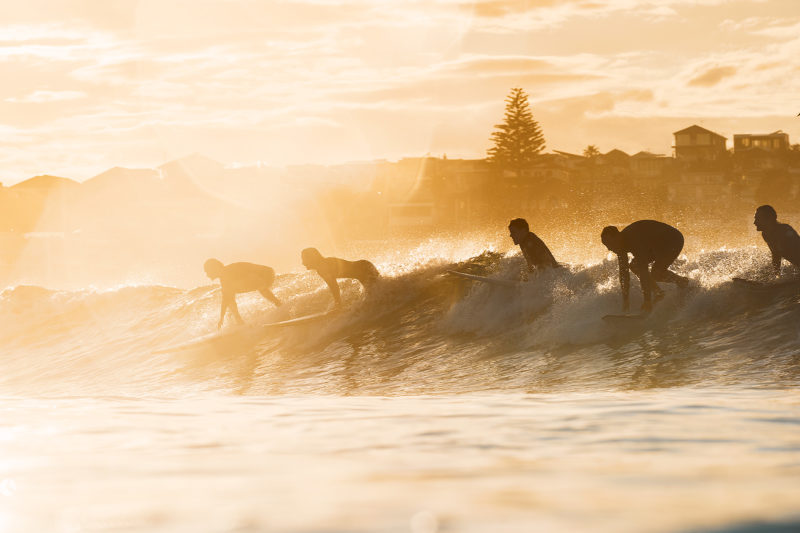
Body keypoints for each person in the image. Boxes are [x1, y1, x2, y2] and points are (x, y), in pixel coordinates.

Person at [601, 220, 689, 312]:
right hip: (655, 245)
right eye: (606, 245)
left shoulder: (634, 240)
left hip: (673, 240)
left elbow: (643, 270)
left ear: (617, 237)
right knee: (634, 266)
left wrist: (647, 300)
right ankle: (658, 293)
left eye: (609, 243)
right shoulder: (620, 246)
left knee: (656, 274)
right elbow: (624, 274)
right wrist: (626, 301)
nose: (609, 248)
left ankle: (682, 282)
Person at [203, 258, 282, 328]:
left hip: (266, 274)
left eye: (207, 271)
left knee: (229, 291)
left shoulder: (230, 271)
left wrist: (261, 286)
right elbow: (226, 300)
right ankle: (239, 322)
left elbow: (252, 274)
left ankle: (239, 321)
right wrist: (221, 318)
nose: (207, 275)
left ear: (214, 268)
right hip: (260, 281)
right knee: (228, 295)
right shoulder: (224, 279)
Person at [300, 248, 380, 307]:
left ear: (312, 258)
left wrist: (338, 304)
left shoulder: (322, 268)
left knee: (377, 297)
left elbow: (334, 287)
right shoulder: (324, 263)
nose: (303, 263)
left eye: (304, 259)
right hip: (364, 265)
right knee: (379, 292)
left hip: (363, 270)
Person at [753, 204, 800, 277]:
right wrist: (777, 276)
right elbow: (775, 255)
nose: (755, 222)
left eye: (758, 219)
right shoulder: (766, 234)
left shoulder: (785, 230)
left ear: (769, 219)